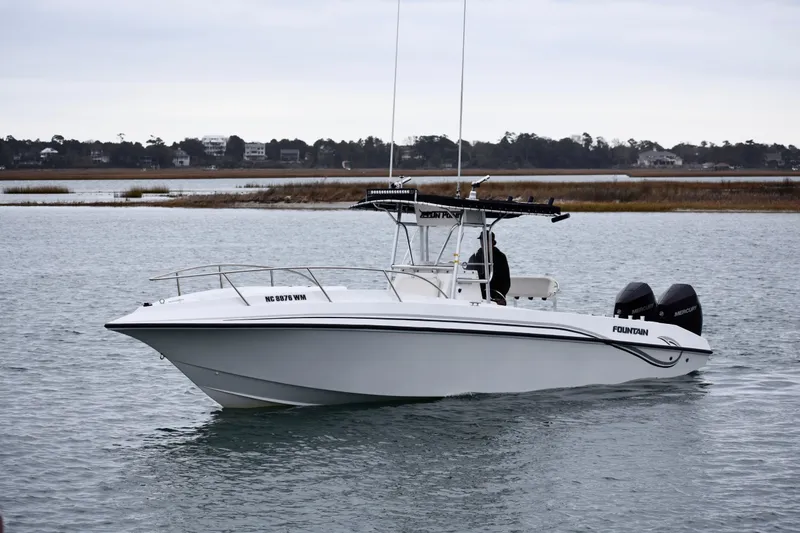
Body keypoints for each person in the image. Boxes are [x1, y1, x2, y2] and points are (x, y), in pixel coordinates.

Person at [466, 231, 510, 304]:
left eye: (486, 240)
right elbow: (468, 276)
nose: (483, 243)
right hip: (476, 295)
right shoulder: (474, 257)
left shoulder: (501, 257)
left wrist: (499, 297)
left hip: (496, 296)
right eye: (481, 240)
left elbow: (506, 282)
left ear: (492, 242)